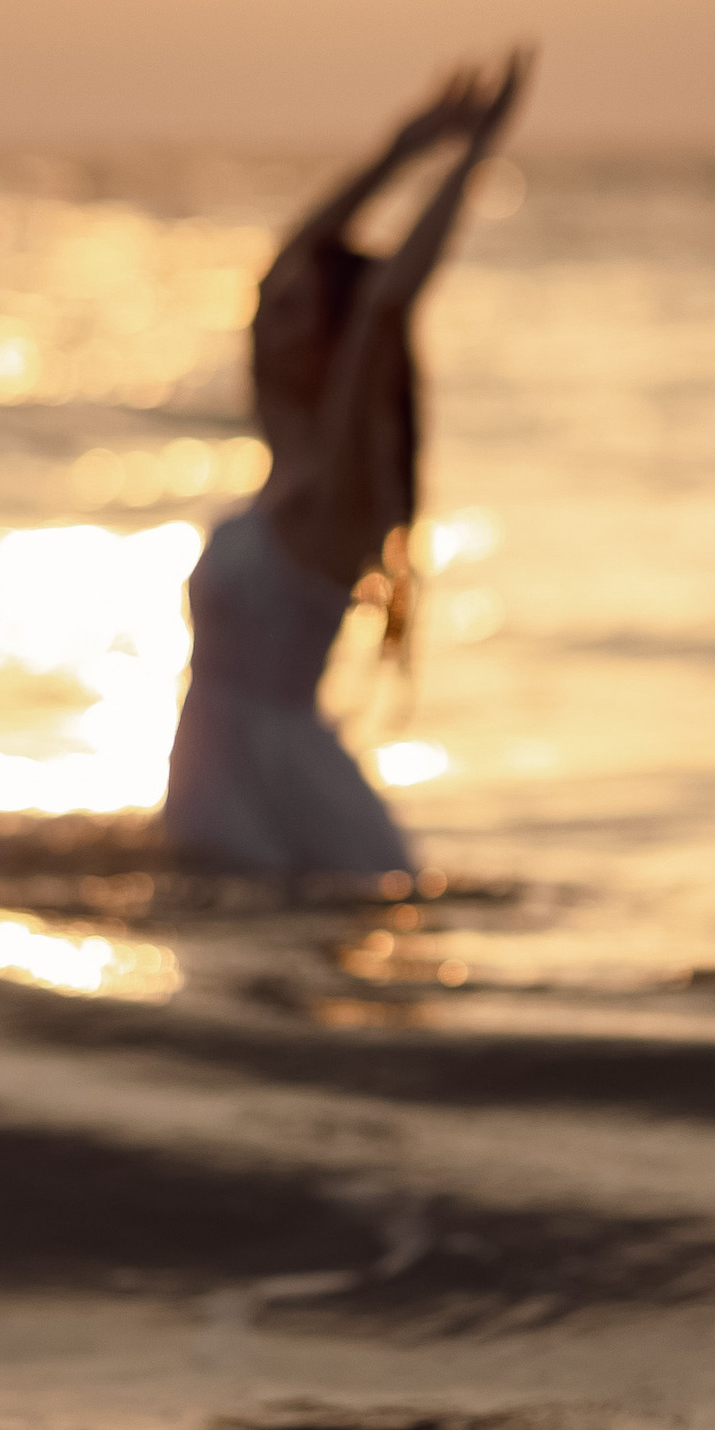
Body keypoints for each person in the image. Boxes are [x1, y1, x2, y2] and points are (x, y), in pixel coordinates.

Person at [164, 54, 530, 878]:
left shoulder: (342, 486)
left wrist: (477, 154)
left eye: (298, 313)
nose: (272, 319)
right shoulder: (285, 450)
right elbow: (276, 271)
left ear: (330, 341)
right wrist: (403, 147)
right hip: (219, 771)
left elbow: (388, 301)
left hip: (282, 796)